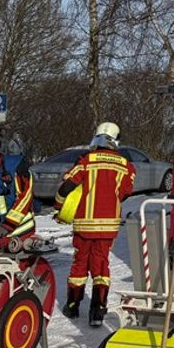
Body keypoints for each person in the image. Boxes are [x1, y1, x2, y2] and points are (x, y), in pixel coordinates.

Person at [54, 122, 135, 326]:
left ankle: (72, 307)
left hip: (83, 225)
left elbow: (66, 187)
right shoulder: (126, 165)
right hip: (108, 227)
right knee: (101, 265)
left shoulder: (86, 161)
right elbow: (125, 192)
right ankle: (98, 311)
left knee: (80, 264)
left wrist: (60, 207)